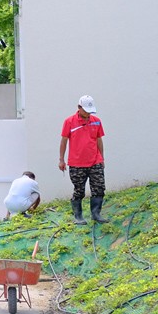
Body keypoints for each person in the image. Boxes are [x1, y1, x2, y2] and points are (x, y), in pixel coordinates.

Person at [59, 94, 107, 224]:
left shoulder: (96, 121)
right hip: (77, 163)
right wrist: (61, 160)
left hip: (95, 161)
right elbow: (63, 141)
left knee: (99, 187)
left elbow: (99, 140)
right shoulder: (69, 121)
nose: (88, 114)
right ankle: (78, 216)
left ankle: (96, 214)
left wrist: (101, 158)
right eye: (86, 110)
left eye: (90, 111)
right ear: (79, 107)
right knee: (79, 190)